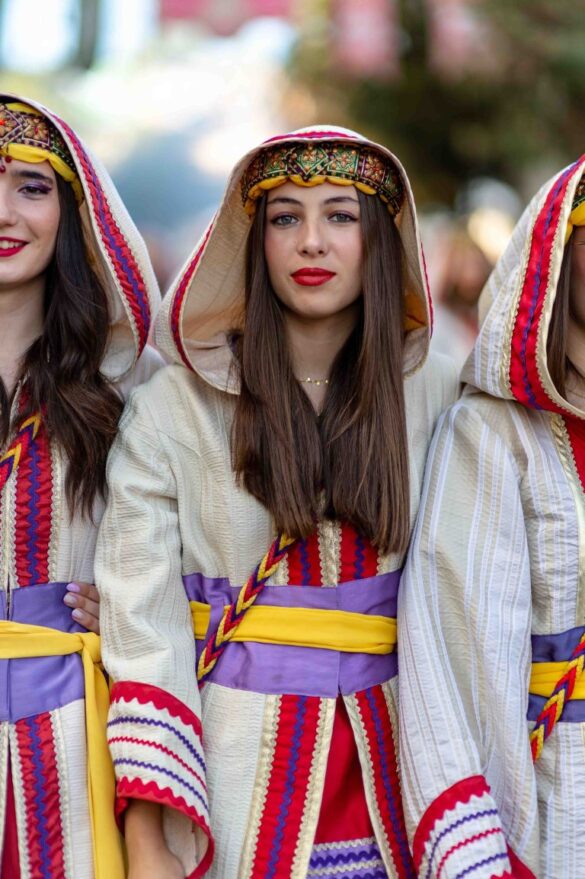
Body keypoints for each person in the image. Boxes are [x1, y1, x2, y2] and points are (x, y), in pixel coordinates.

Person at [96, 126, 458, 879]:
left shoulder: (444, 395)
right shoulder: (174, 406)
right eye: (285, 217)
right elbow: (142, 620)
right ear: (253, 241)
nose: (311, 242)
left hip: (407, 779)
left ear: (382, 239)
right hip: (231, 779)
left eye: (340, 216)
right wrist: (149, 840)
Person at [398, 157, 585, 879]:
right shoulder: (492, 432)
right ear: (560, 254)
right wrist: (488, 850)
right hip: (560, 801)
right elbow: (461, 662)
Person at [0, 95, 160, 878]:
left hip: (75, 732)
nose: (5, 212)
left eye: (31, 187)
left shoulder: (129, 383)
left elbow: (197, 552)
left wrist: (141, 599)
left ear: (72, 212)